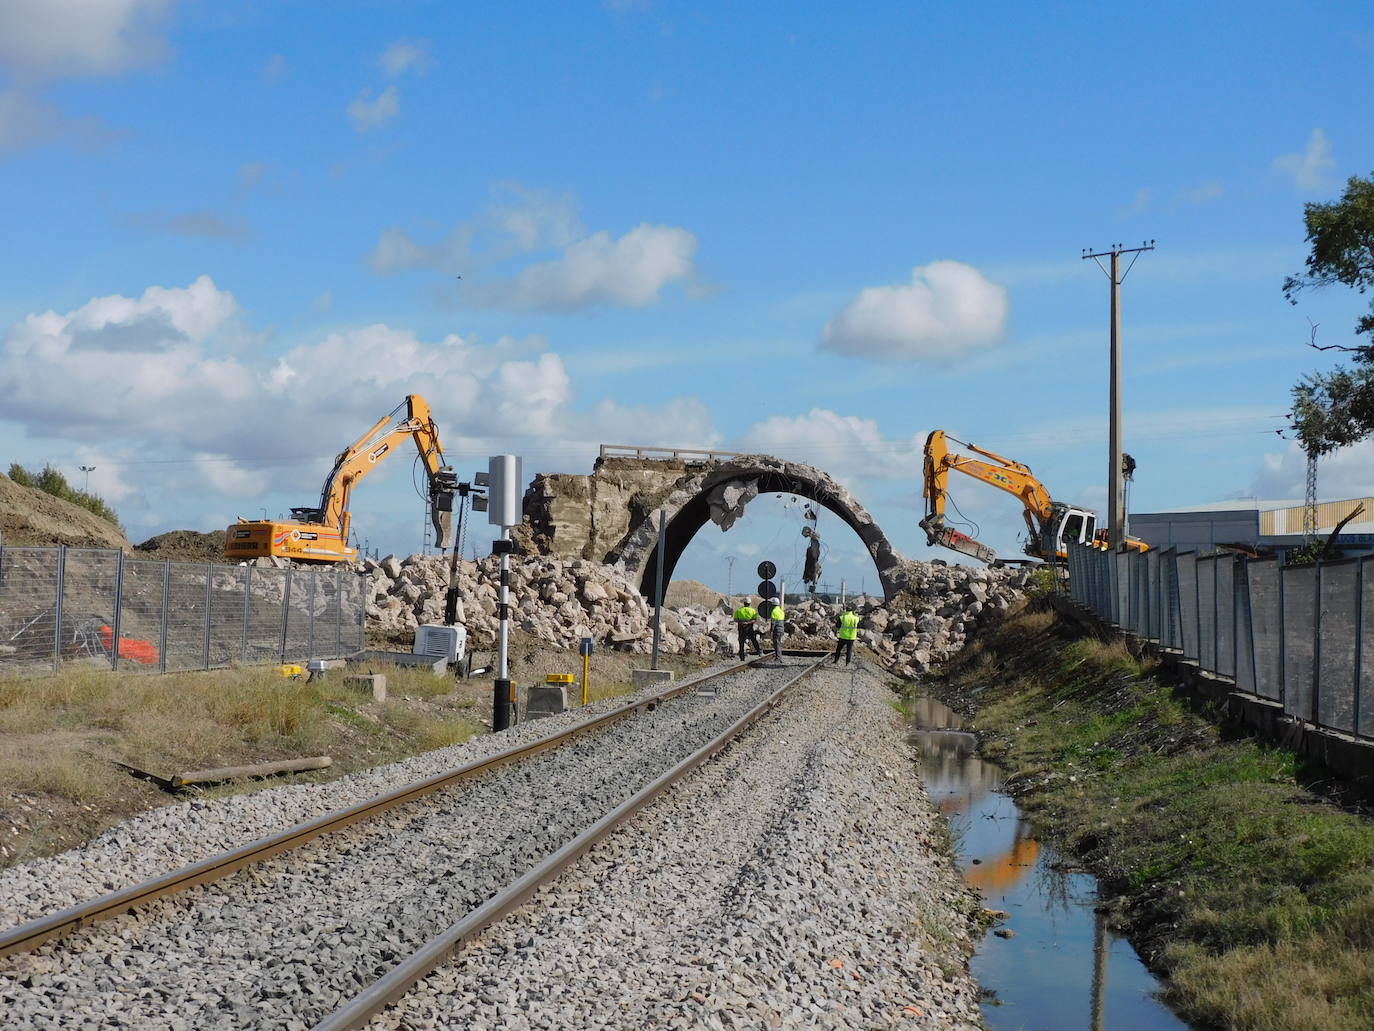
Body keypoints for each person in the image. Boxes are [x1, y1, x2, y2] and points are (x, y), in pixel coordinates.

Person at [766, 596, 786, 662]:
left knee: (776, 643)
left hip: (777, 630)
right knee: (778, 643)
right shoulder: (781, 611)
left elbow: (773, 623)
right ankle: (779, 656)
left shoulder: (774, 611)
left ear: (773, 604)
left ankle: (778, 658)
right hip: (781, 629)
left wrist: (771, 631)